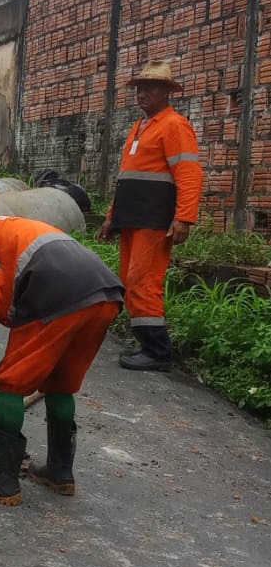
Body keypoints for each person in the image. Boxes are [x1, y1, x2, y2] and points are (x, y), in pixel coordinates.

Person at [0, 215, 124, 506]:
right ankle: (60, 473)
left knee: (10, 386)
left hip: (55, 293)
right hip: (104, 293)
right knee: (61, 383)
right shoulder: (9, 229)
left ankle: (0, 482)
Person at [96, 59, 203, 371]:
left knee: (144, 282)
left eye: (150, 87)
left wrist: (183, 218)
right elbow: (127, 177)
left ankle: (158, 351)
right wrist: (111, 217)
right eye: (139, 87)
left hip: (154, 220)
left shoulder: (175, 126)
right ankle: (147, 343)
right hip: (133, 218)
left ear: (167, 92)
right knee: (131, 281)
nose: (142, 92)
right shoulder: (139, 127)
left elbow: (188, 174)